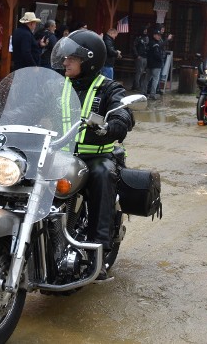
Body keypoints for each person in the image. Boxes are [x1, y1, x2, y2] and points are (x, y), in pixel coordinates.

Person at [50, 29, 134, 281]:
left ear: (89, 60)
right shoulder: (56, 85)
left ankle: (100, 249)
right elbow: (30, 105)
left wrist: (115, 124)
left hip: (94, 156)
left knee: (102, 174)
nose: (65, 62)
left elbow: (124, 112)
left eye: (71, 58)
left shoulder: (108, 88)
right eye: (64, 58)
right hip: (60, 155)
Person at [146, 30, 164, 100]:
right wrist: (161, 60)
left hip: (150, 64)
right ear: (154, 35)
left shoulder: (149, 42)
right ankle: (152, 94)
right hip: (156, 64)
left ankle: (143, 92)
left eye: (160, 35)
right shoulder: (155, 44)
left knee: (147, 79)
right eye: (158, 35)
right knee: (155, 79)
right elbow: (157, 54)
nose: (159, 36)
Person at [131, 25, 150, 93]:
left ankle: (135, 86)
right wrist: (137, 55)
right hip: (140, 57)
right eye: (144, 30)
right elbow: (134, 46)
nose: (145, 31)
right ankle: (136, 86)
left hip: (145, 56)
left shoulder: (147, 38)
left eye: (146, 30)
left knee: (142, 72)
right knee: (139, 72)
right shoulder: (138, 38)